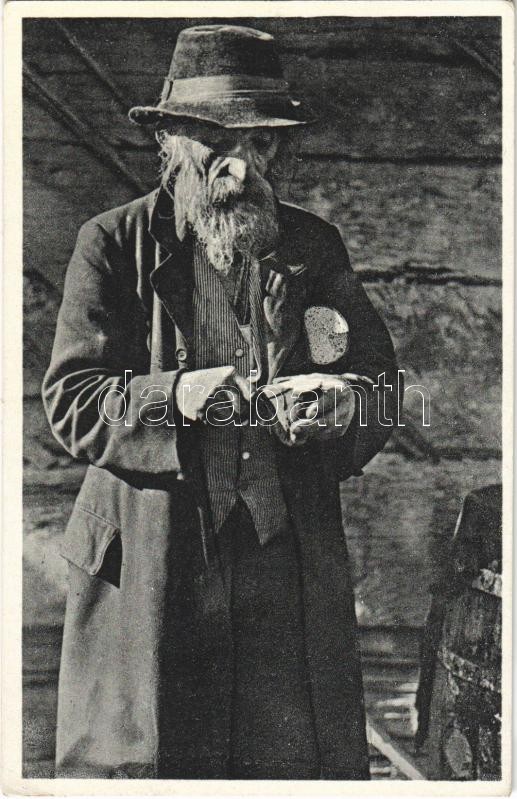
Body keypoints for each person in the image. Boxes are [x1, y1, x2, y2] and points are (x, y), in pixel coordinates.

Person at [43, 24, 399, 780]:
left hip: (279, 555)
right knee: (157, 762)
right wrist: (178, 393)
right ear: (171, 139)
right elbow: (72, 400)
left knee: (286, 764)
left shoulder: (312, 245)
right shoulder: (112, 244)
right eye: (215, 142)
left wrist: (343, 399)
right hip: (153, 558)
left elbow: (377, 379)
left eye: (260, 144)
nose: (239, 166)